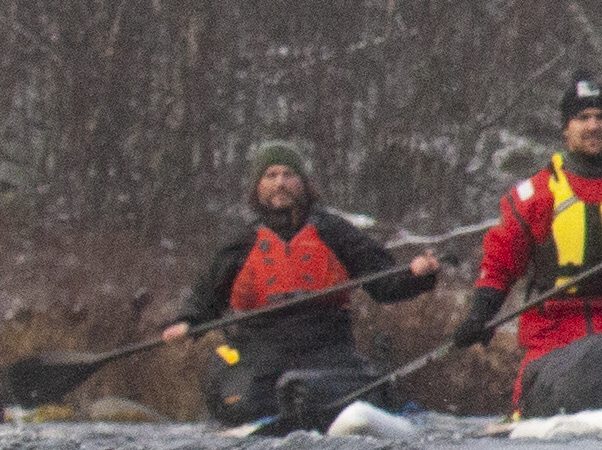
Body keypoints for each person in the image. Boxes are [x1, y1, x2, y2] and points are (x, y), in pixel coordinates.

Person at [158, 140, 438, 431]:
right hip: (259, 352)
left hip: (327, 350)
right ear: (257, 187)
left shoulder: (333, 232)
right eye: (271, 175)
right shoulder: (240, 244)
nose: (280, 183)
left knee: (309, 391)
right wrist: (186, 322)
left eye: (289, 175)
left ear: (303, 183)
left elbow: (385, 283)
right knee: (248, 394)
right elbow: (206, 298)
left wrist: (419, 274)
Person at [454, 73, 602, 409]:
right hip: (554, 338)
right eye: (583, 118)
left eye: (601, 117)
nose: (593, 126)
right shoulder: (535, 195)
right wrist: (480, 315)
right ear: (566, 128)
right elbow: (499, 265)